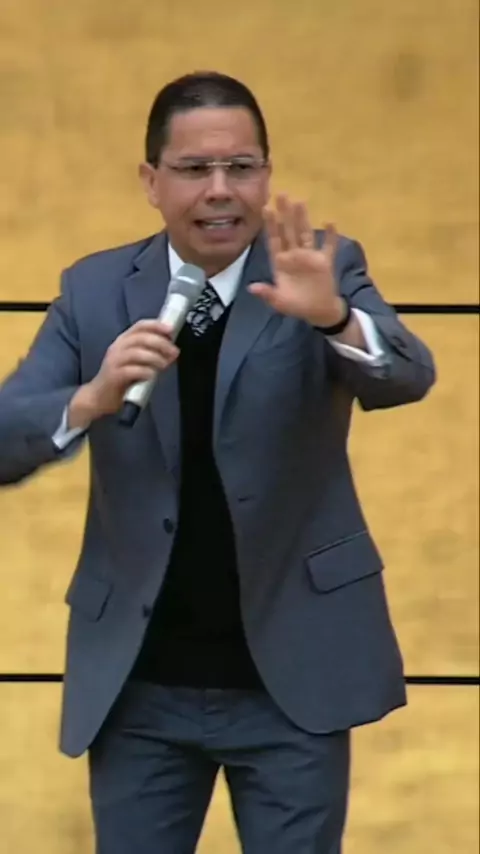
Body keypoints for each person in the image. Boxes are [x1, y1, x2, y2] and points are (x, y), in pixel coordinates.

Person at [0, 71, 436, 853]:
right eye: (195, 169)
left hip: (292, 678)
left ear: (267, 175)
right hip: (139, 686)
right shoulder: (95, 289)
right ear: (151, 182)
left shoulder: (318, 266)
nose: (220, 190)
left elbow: (408, 375)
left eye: (242, 166)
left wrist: (335, 318)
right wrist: (90, 399)